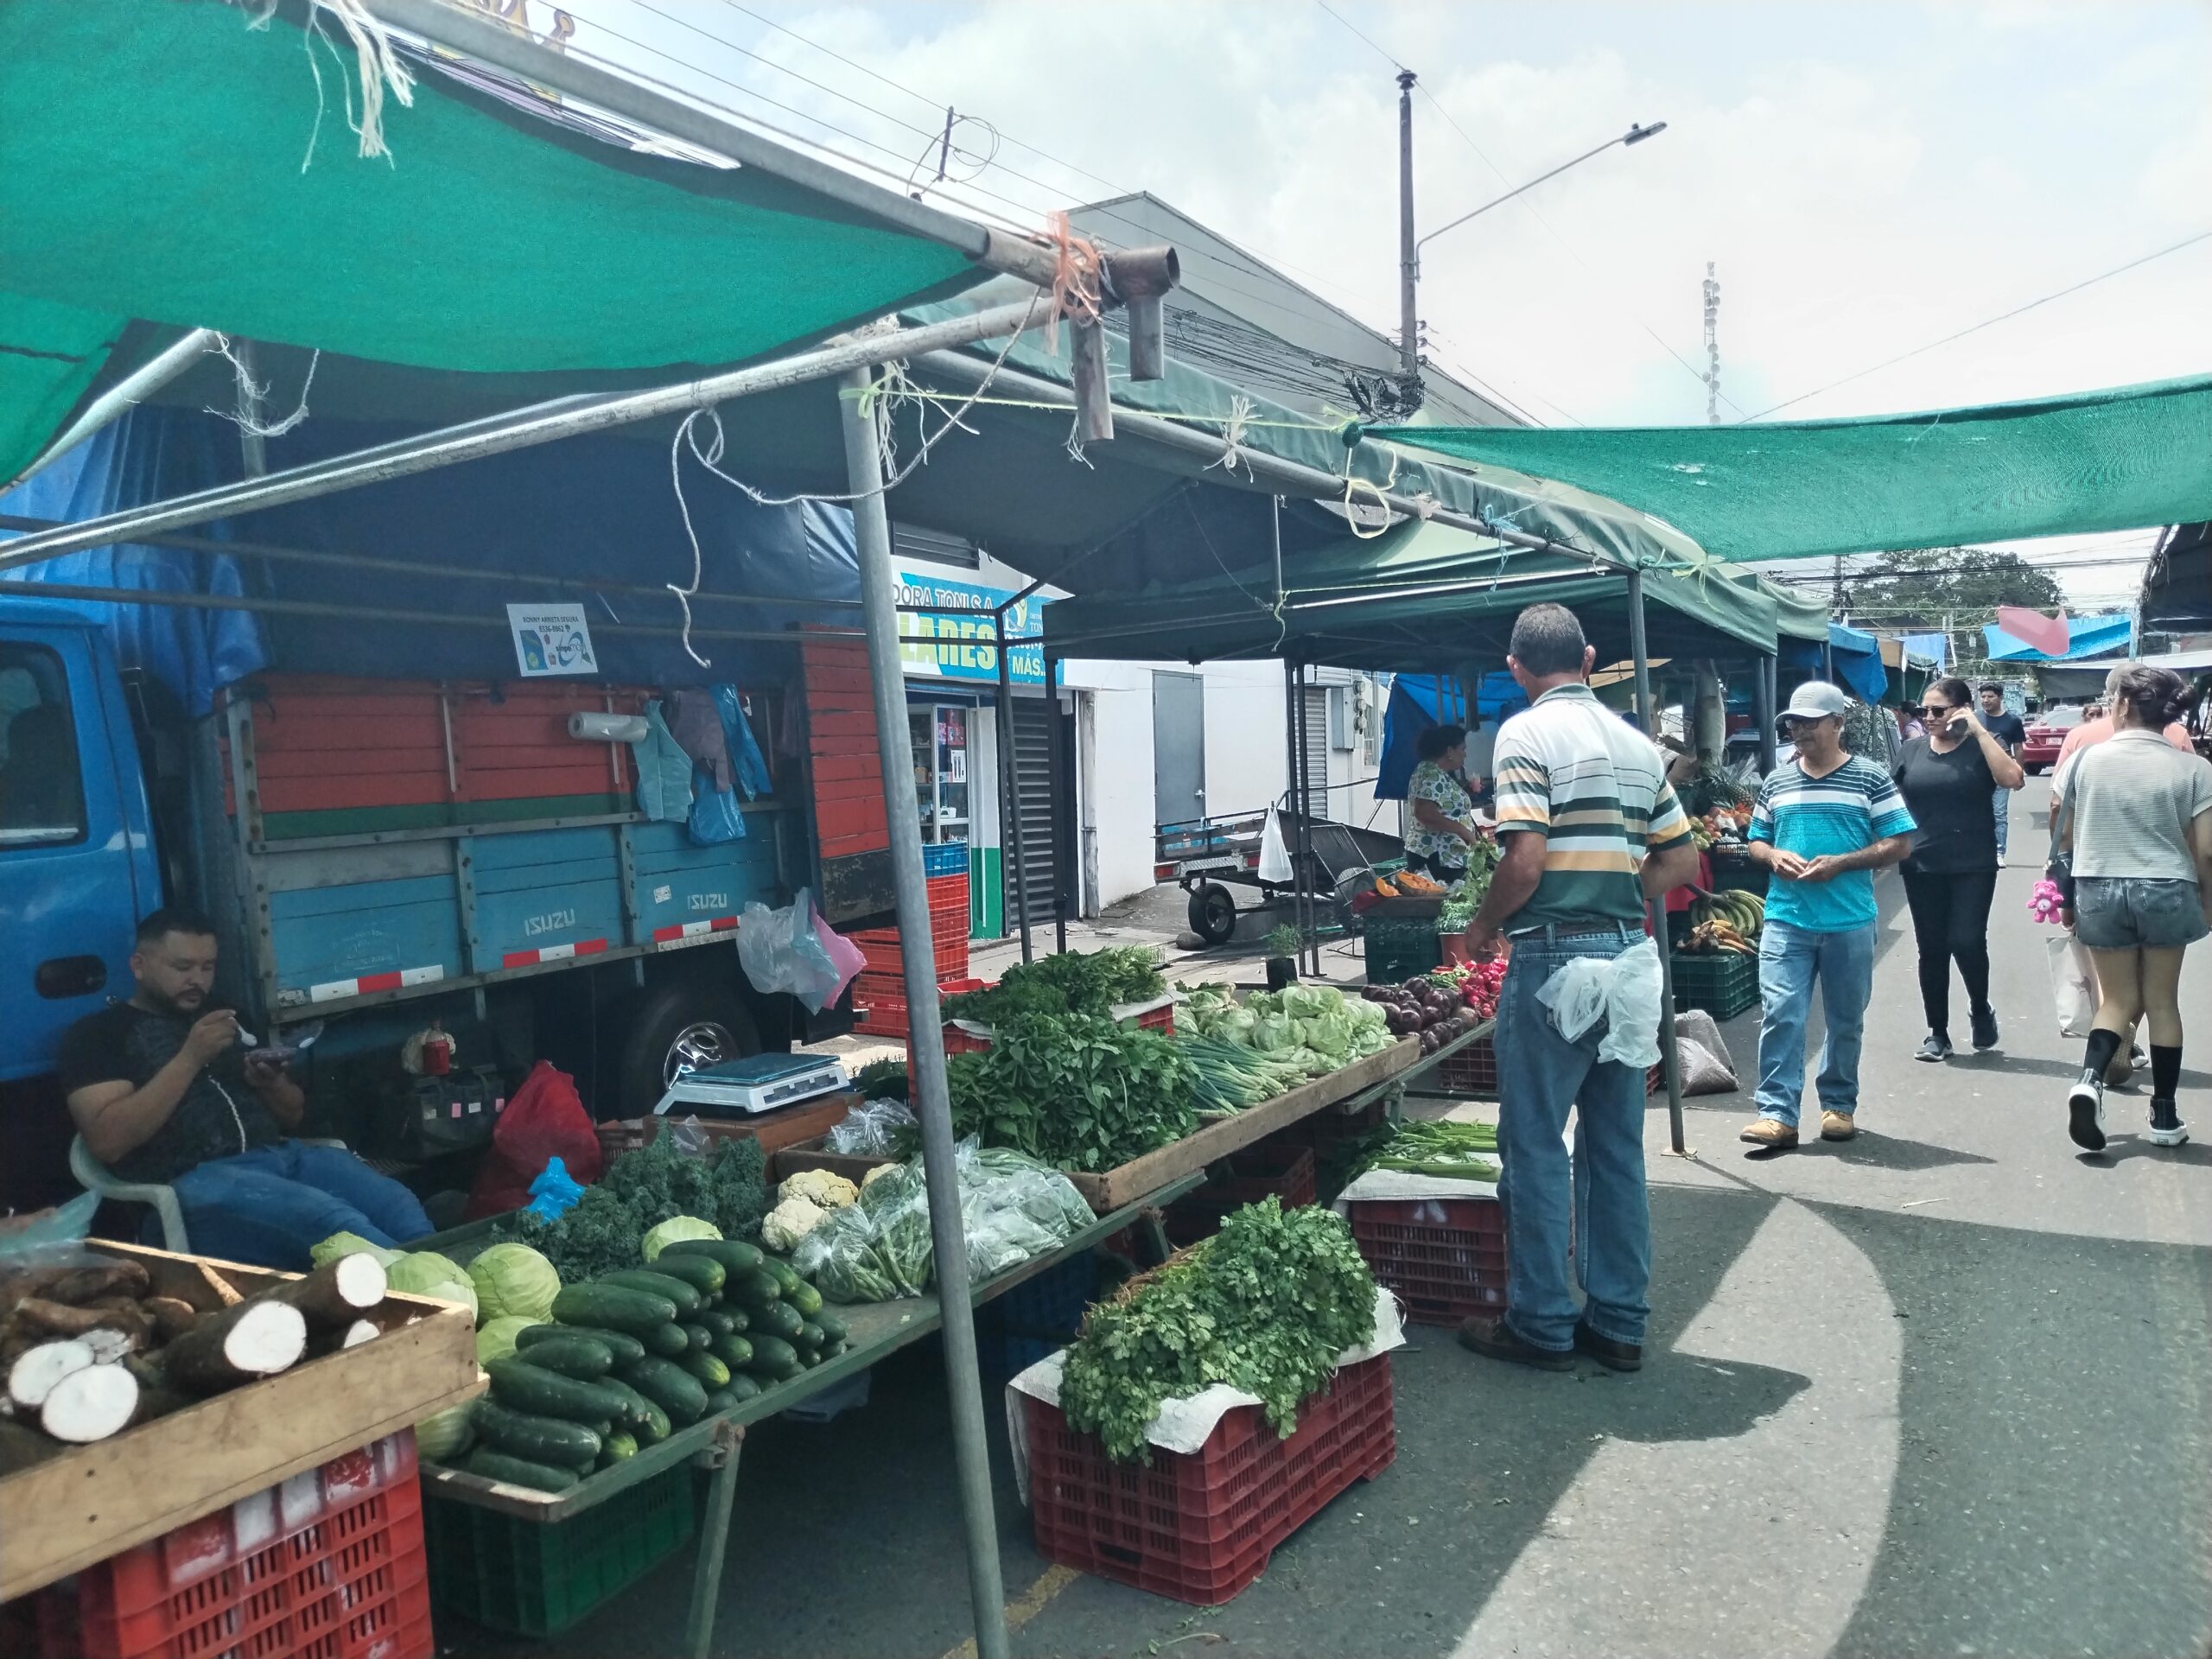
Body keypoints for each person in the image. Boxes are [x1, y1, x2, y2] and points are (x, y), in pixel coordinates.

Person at [1458, 604, 1700, 1376]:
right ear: (1591, 657)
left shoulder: (1525, 733)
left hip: (1554, 962)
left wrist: (1480, 926)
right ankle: (1620, 1322)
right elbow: (1682, 861)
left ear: (1517, 667)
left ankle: (1541, 1323)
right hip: (1627, 963)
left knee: (1534, 1146)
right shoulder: (1637, 743)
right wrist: (1621, 892)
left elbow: (1524, 860)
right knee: (1615, 1149)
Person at [56, 908, 434, 1268]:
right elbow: (108, 1141)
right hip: (194, 1184)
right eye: (182, 967)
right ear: (139, 966)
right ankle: (435, 1304)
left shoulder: (227, 1017)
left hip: (281, 1158)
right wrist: (190, 1058)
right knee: (333, 1222)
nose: (197, 980)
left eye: (208, 967)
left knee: (396, 1202)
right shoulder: (98, 1036)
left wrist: (271, 1085)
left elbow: (293, 1115)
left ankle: (452, 1284)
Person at [1740, 682, 1916, 1149]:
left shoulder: (1871, 778)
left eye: (1809, 722)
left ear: (1838, 724)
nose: (1798, 731)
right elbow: (1756, 839)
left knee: (1845, 1020)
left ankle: (1839, 1104)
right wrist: (1772, 855)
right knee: (1781, 1014)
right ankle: (1777, 1113)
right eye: (1793, 723)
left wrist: (1843, 862)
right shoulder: (1777, 780)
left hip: (1849, 921)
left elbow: (1899, 843)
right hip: (1785, 918)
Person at [2053, 665, 2212, 1152]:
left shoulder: (2084, 761)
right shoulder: (2195, 768)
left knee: (2115, 1000)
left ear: (2121, 704)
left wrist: (2063, 895)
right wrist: (2207, 902)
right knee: (2162, 1001)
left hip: (2098, 885)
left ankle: (2090, 1081)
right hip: (2168, 887)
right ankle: (2164, 1114)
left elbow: (2067, 832)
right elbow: (2206, 850)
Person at [1894, 677, 2025, 1060]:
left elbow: (2013, 779)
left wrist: (1979, 728)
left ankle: (1981, 1008)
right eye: (1924, 711)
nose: (1929, 717)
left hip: (1973, 862)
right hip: (1922, 862)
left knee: (1966, 941)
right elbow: (1887, 798)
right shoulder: (1911, 750)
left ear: (1963, 709)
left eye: (1938, 710)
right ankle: (1937, 1033)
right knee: (1931, 948)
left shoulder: (1982, 746)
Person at [1405, 723, 1482, 878]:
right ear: (1449, 751)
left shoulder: (1435, 772)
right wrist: (1462, 830)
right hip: (1436, 857)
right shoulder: (1431, 773)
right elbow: (1424, 812)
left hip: (1446, 857)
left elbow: (1442, 803)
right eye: (1463, 749)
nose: (1465, 755)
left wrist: (1466, 791)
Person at [1976, 683, 2027, 859]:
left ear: (2000, 698)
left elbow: (2018, 748)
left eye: (1990, 696)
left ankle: (1999, 852)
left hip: (2002, 774)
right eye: (1983, 697)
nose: (1986, 700)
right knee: (1979, 812)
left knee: (1999, 813)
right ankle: (1981, 849)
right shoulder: (1975, 719)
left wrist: (2018, 774)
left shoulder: (2012, 721)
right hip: (1977, 773)